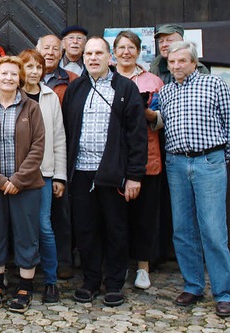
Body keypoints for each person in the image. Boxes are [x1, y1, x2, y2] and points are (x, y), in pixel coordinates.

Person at [63, 37, 147, 307]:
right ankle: (90, 281)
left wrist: (134, 175)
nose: (93, 58)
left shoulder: (126, 88)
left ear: (109, 56)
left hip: (114, 173)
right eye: (89, 53)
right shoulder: (76, 89)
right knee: (86, 230)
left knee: (116, 230)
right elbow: (66, 132)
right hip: (81, 172)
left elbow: (137, 135)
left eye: (99, 53)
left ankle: (113, 284)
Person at [158, 41, 230, 318]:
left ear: (193, 62)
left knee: (213, 229)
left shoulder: (214, 85)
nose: (176, 66)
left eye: (182, 61)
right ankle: (193, 285)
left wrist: (223, 159)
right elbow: (161, 124)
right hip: (176, 162)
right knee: (183, 228)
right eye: (172, 62)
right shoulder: (165, 92)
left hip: (208, 161)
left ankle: (223, 292)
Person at [0, 56, 45, 313]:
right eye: (4, 74)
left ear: (20, 79)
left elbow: (38, 147)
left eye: (14, 74)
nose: (9, 78)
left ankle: (25, 286)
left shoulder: (31, 108)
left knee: (26, 235)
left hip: (26, 186)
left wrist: (17, 180)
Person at [113, 31, 164, 290]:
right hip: (113, 158)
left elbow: (162, 121)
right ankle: (119, 265)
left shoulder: (153, 81)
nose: (125, 52)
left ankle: (143, 267)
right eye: (121, 47)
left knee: (145, 216)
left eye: (130, 47)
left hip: (148, 157)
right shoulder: (107, 79)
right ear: (114, 52)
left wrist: (147, 113)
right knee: (116, 217)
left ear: (138, 50)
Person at [19, 49, 67, 303]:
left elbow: (59, 136)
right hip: (16, 174)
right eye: (29, 67)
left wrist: (59, 175)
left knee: (44, 227)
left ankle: (50, 280)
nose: (35, 71)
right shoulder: (12, 95)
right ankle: (21, 277)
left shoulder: (49, 97)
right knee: (19, 226)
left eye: (39, 67)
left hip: (44, 173)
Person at [36, 34, 78, 280]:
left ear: (61, 52)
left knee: (60, 211)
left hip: (62, 151)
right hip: (33, 161)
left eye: (54, 49)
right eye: (45, 48)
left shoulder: (71, 80)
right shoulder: (24, 78)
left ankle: (63, 260)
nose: (50, 52)